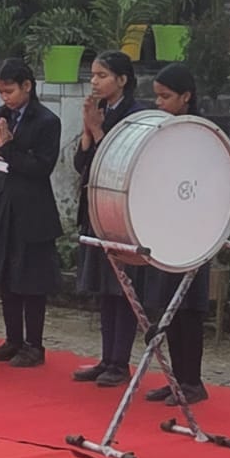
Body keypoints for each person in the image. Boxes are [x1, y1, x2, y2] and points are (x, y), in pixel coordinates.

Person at [0, 58, 63, 368]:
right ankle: (12, 339)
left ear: (27, 86)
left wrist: (9, 149)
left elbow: (41, 167)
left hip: (32, 209)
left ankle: (34, 344)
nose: (5, 98)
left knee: (31, 279)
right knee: (6, 276)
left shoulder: (46, 121)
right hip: (1, 203)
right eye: (0, 92)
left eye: (9, 91)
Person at [73, 50, 147, 387]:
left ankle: (120, 362)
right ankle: (107, 358)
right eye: (93, 75)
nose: (95, 82)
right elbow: (82, 163)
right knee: (104, 288)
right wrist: (87, 132)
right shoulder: (100, 111)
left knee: (123, 288)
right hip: (96, 205)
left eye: (102, 76)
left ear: (122, 79)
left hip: (123, 211)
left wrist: (98, 130)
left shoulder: (136, 115)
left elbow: (122, 160)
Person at [139, 63, 211, 406]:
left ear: (186, 97)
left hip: (195, 232)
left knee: (188, 309)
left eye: (166, 97)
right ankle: (175, 379)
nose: (159, 103)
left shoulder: (203, 134)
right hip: (166, 228)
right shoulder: (163, 130)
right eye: (157, 97)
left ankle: (192, 381)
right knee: (168, 307)